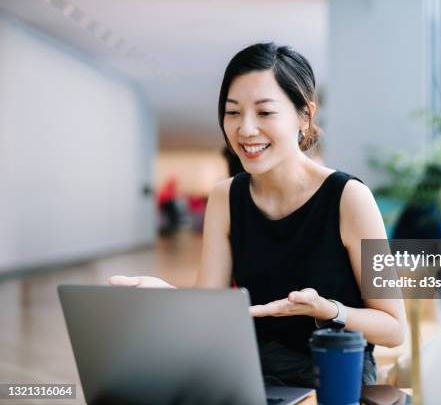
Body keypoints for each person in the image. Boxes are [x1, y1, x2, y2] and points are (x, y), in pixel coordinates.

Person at [109, 42, 406, 387]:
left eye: (264, 113)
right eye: (233, 112)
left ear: (304, 115)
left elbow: (394, 328)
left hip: (333, 371)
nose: (245, 129)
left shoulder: (351, 198)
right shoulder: (225, 197)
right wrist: (168, 295)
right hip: (251, 369)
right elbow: (211, 312)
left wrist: (328, 311)